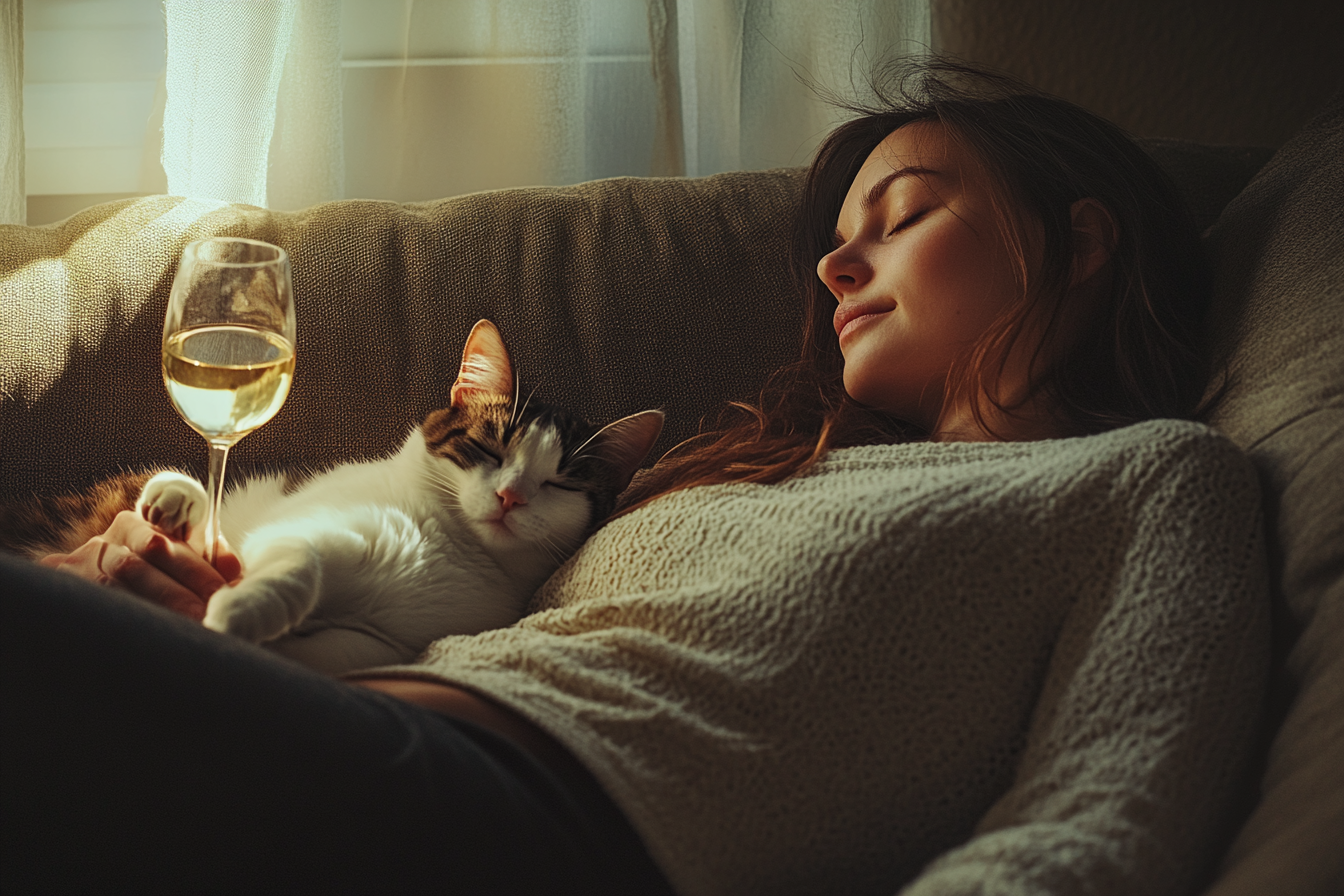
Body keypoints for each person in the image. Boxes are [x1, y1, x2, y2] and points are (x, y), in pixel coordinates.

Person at [1, 61, 1266, 896]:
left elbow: (1098, 827)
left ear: (1082, 243)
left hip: (507, 820)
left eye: (903, 215)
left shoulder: (1155, 481)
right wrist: (193, 621)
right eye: (835, 244)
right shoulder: (771, 473)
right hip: (343, 720)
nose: (835, 270)